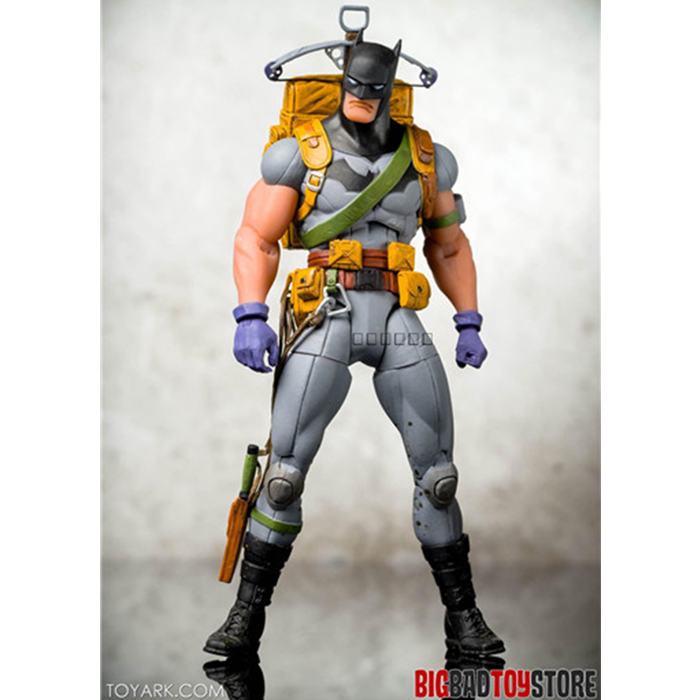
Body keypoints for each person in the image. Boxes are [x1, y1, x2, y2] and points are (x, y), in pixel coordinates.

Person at [205, 32, 505, 661]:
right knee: (283, 477)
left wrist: (469, 318)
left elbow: (449, 245)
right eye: (354, 87)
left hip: (395, 313)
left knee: (439, 477)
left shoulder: (426, 160)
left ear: (392, 90)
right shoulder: (299, 154)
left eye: (373, 89)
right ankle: (243, 622)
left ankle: (464, 620)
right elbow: (255, 236)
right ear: (342, 84)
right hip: (328, 311)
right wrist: (250, 313)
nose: (362, 98)